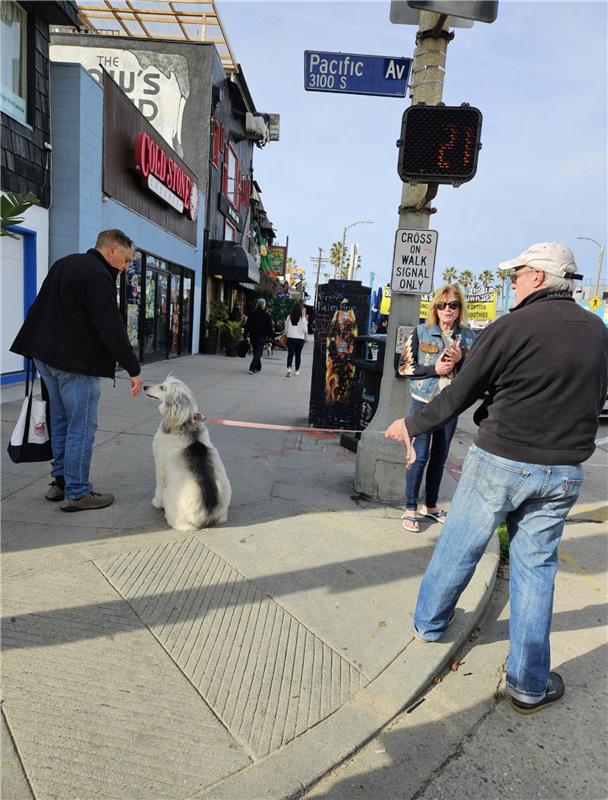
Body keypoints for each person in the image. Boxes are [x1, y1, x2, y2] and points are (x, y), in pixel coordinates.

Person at [385, 242, 608, 715]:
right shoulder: (597, 331)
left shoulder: (511, 327)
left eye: (518, 274)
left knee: (461, 543)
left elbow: (460, 393)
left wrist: (412, 423)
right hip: (564, 469)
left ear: (540, 278)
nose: (511, 282)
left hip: (502, 459)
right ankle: (528, 684)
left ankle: (429, 623)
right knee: (536, 567)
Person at [10, 229, 143, 512]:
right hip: (74, 363)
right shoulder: (98, 276)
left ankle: (60, 481)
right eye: (126, 259)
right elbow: (110, 326)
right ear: (111, 251)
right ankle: (78, 491)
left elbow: (40, 306)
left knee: (60, 420)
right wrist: (133, 368)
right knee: (81, 426)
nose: (126, 265)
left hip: (45, 357)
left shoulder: (65, 263)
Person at [397, 285, 476, 532]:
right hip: (422, 403)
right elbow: (403, 368)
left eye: (453, 305)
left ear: (459, 308)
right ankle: (410, 507)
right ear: (435, 309)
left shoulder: (469, 338)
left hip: (449, 406)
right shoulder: (421, 332)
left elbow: (476, 376)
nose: (447, 310)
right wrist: (434, 370)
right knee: (418, 456)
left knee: (440, 457)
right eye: (442, 305)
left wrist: (460, 361)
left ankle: (430, 506)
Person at [244, 297, 273, 374]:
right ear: (263, 305)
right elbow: (269, 326)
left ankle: (258, 367)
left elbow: (247, 325)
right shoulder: (266, 315)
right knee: (258, 352)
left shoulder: (252, 313)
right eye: (265, 304)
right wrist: (271, 336)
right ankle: (252, 368)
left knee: (256, 351)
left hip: (253, 336)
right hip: (262, 336)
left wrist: (245, 335)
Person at [284, 300, 308, 377]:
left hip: (290, 338)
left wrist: (287, 335)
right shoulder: (302, 318)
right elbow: (305, 330)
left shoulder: (289, 316)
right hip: (300, 339)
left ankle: (289, 368)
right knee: (298, 355)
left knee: (290, 354)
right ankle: (297, 370)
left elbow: (286, 328)